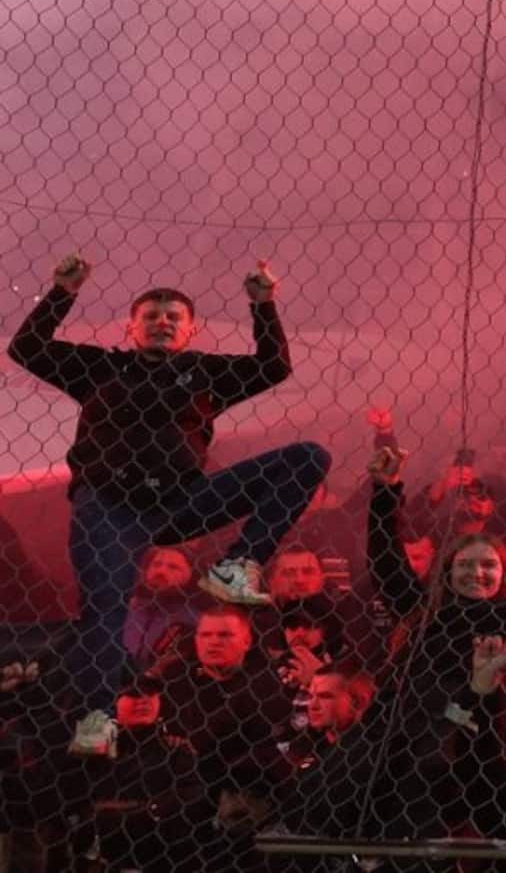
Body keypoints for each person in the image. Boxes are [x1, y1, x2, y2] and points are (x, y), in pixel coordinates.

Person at [7, 254, 325, 759]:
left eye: (173, 317)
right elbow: (27, 349)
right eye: (151, 316)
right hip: (110, 507)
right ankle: (97, 719)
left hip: (180, 501)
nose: (162, 322)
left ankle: (236, 565)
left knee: (307, 458)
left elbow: (273, 366)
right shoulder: (100, 366)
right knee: (104, 610)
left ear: (190, 330)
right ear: (132, 327)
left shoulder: (204, 373)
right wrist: (63, 293)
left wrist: (263, 304)